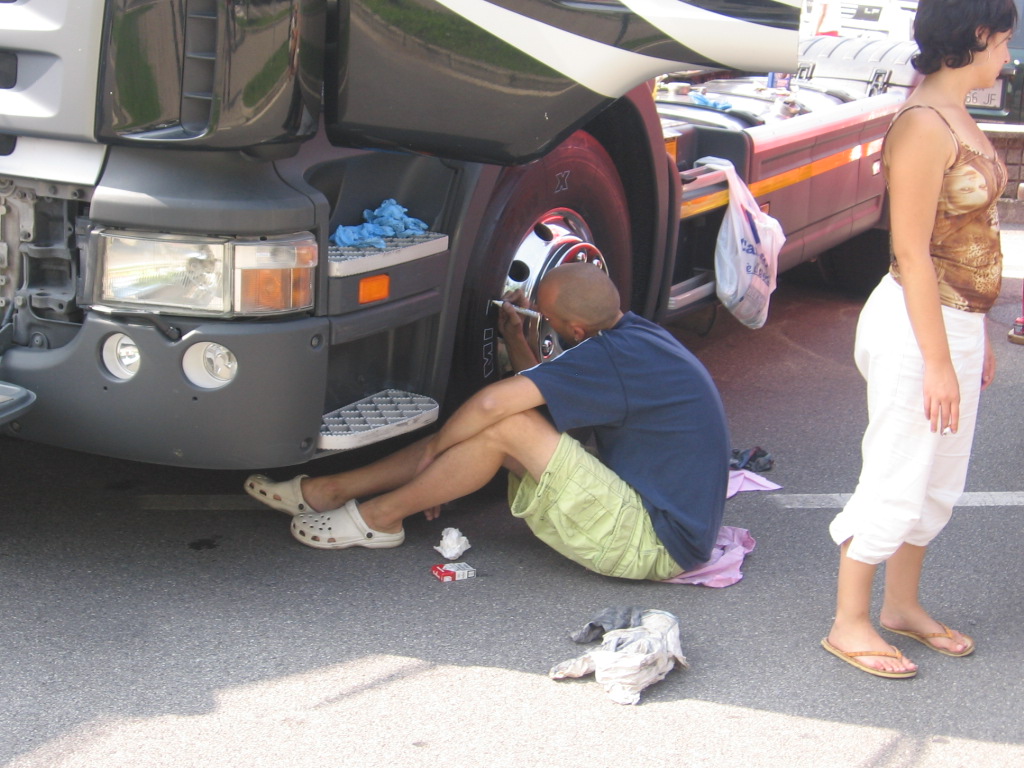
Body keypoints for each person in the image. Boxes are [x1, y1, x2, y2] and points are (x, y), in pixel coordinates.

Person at [244, 262, 731, 581]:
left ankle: (379, 518)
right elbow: (543, 392)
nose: (536, 313)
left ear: (576, 330)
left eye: (544, 313)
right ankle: (329, 491)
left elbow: (494, 405)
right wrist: (516, 338)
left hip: (654, 544)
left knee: (500, 425)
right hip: (656, 518)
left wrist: (435, 454)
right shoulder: (632, 338)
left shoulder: (611, 359)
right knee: (499, 427)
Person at [822, 0, 1016, 678]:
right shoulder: (922, 124)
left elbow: (969, 241)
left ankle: (901, 606)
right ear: (981, 35)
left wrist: (977, 336)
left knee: (936, 480)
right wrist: (938, 357)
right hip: (914, 325)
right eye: (1005, 44)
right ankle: (850, 621)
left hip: (949, 322)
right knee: (898, 472)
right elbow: (909, 249)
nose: (1009, 59)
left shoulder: (957, 113)